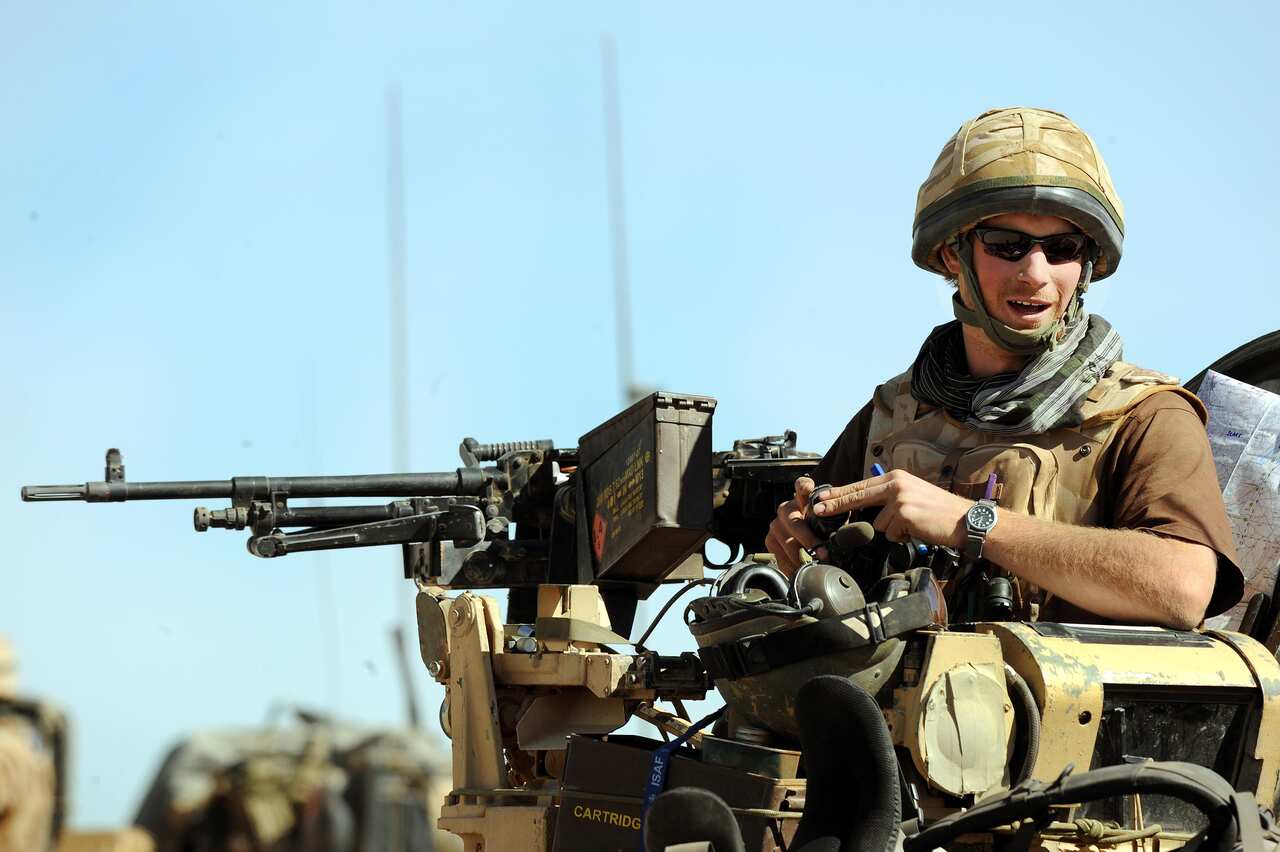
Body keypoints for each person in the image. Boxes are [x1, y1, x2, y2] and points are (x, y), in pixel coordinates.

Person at [766, 107, 1242, 630]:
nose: (1035, 273)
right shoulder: (893, 413)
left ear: (1086, 265)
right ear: (952, 253)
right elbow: (800, 569)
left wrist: (970, 523)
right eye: (1006, 245)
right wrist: (796, 541)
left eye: (1062, 248)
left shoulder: (1145, 416)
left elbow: (1183, 588)